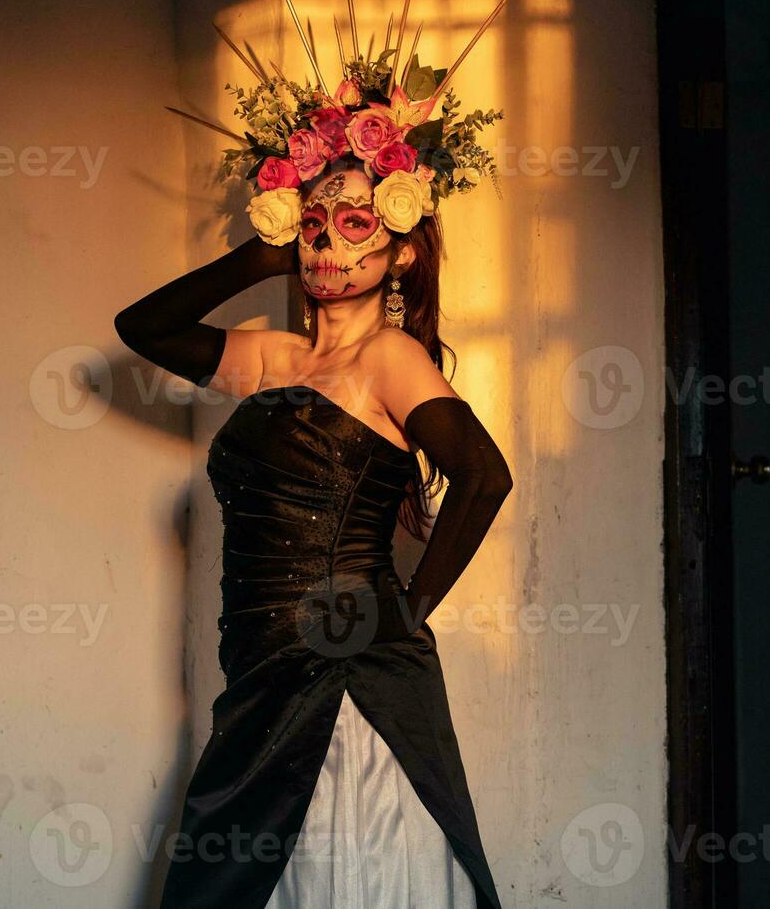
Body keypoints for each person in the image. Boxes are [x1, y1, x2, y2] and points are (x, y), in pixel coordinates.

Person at [116, 158, 512, 907]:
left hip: (344, 666)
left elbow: (484, 476)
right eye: (312, 224)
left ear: (402, 253)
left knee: (336, 864)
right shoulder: (273, 360)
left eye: (356, 222)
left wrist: (408, 610)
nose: (327, 242)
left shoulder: (390, 358)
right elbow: (142, 327)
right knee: (238, 871)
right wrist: (262, 254)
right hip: (260, 661)